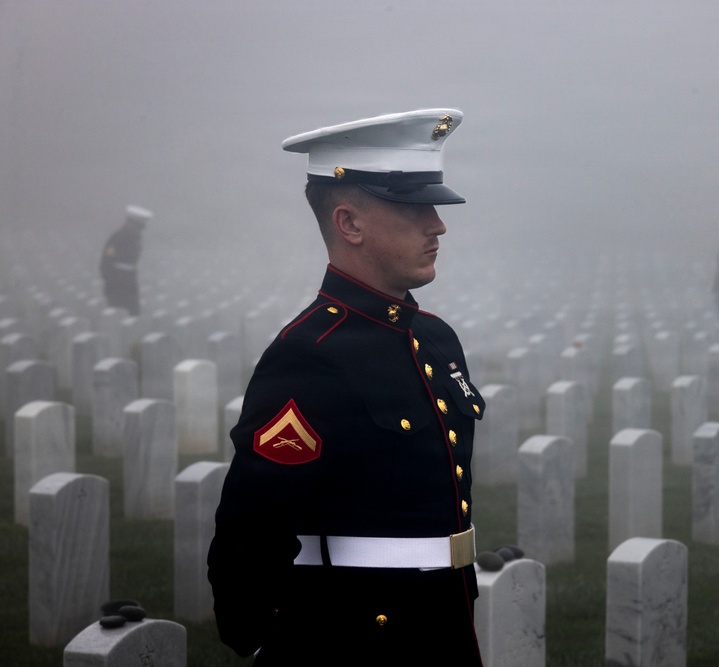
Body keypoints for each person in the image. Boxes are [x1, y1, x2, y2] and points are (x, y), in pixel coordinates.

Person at [208, 109, 485, 665]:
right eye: (414, 208)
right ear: (350, 224)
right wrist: (269, 642)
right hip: (352, 637)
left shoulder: (433, 338)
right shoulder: (310, 355)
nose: (438, 225)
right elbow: (252, 527)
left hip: (444, 622)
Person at [99, 205, 150, 315]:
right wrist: (110, 280)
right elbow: (107, 260)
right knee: (117, 312)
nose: (139, 230)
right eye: (138, 226)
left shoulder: (137, 239)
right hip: (116, 281)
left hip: (129, 281)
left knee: (133, 312)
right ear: (129, 223)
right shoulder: (117, 237)